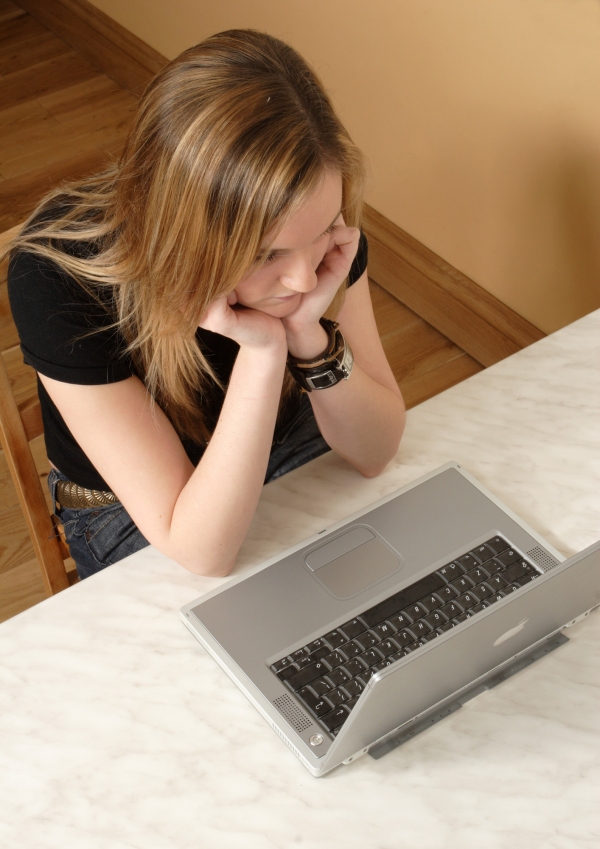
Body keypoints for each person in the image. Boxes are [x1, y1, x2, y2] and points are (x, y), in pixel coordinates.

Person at [6, 29, 405, 580]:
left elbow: (376, 450)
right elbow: (201, 551)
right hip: (132, 508)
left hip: (283, 438)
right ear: (185, 235)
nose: (304, 276)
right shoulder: (58, 271)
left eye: (320, 233)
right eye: (267, 253)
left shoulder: (324, 236)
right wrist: (264, 355)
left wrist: (309, 339)